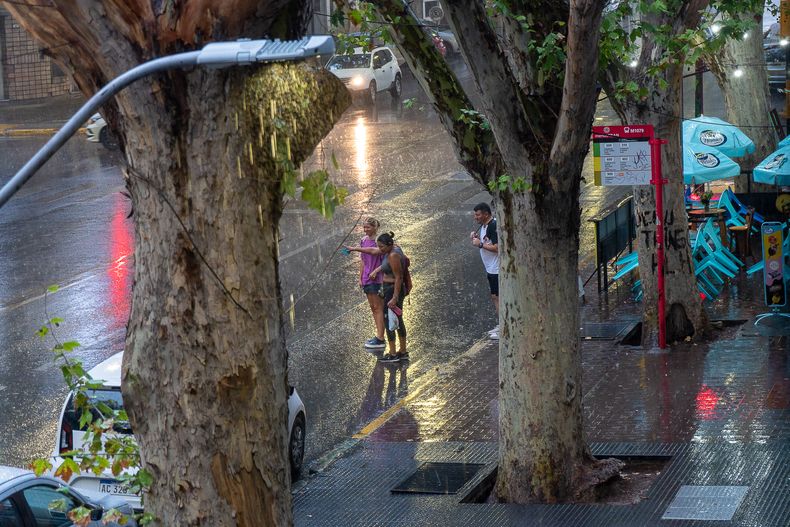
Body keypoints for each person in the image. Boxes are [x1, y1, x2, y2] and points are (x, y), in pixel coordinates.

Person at [345, 217, 386, 349]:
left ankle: (381, 337)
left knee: (378, 307)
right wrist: (360, 277)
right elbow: (363, 260)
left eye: (368, 227)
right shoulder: (363, 240)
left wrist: (376, 271)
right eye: (364, 227)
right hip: (367, 278)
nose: (365, 229)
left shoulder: (379, 242)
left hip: (377, 278)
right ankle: (379, 335)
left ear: (375, 227)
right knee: (373, 307)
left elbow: (385, 260)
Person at [369, 232, 408, 362]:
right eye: (379, 247)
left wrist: (394, 297)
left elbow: (398, 277)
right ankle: (402, 351)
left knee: (389, 321)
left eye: (382, 247)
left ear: (389, 244)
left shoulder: (393, 255)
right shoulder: (395, 248)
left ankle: (392, 353)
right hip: (392, 289)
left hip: (392, 290)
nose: (380, 249)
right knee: (398, 320)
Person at [471, 203, 499, 340]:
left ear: (486, 214)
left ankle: (504, 328)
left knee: (498, 298)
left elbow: (497, 247)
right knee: (495, 297)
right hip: (490, 268)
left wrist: (480, 244)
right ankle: (502, 325)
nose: (475, 217)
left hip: (496, 269)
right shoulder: (483, 226)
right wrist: (476, 238)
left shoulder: (493, 225)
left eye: (478, 214)